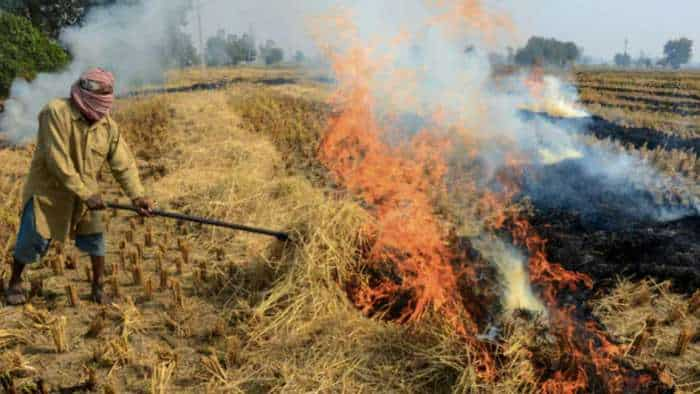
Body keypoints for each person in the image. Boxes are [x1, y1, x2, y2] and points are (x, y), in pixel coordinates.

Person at [4, 68, 154, 305]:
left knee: (96, 240)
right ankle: (14, 282)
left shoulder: (107, 127)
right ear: (82, 95)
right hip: (48, 192)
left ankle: (97, 288)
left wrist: (138, 197)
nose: (99, 113)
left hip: (86, 195)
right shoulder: (55, 112)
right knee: (31, 238)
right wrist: (85, 193)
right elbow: (56, 159)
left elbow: (123, 164)